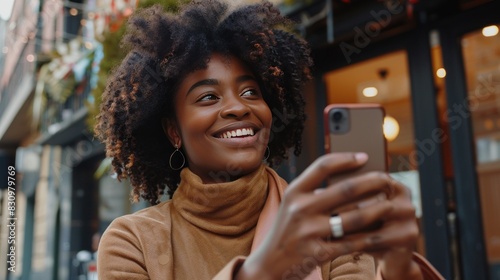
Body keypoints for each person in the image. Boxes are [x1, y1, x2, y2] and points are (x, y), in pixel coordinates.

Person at [94, 1, 444, 279]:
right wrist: (265, 268)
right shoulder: (133, 241)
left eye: (250, 91)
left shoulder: (325, 223)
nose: (238, 107)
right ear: (173, 131)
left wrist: (399, 272)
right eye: (208, 98)